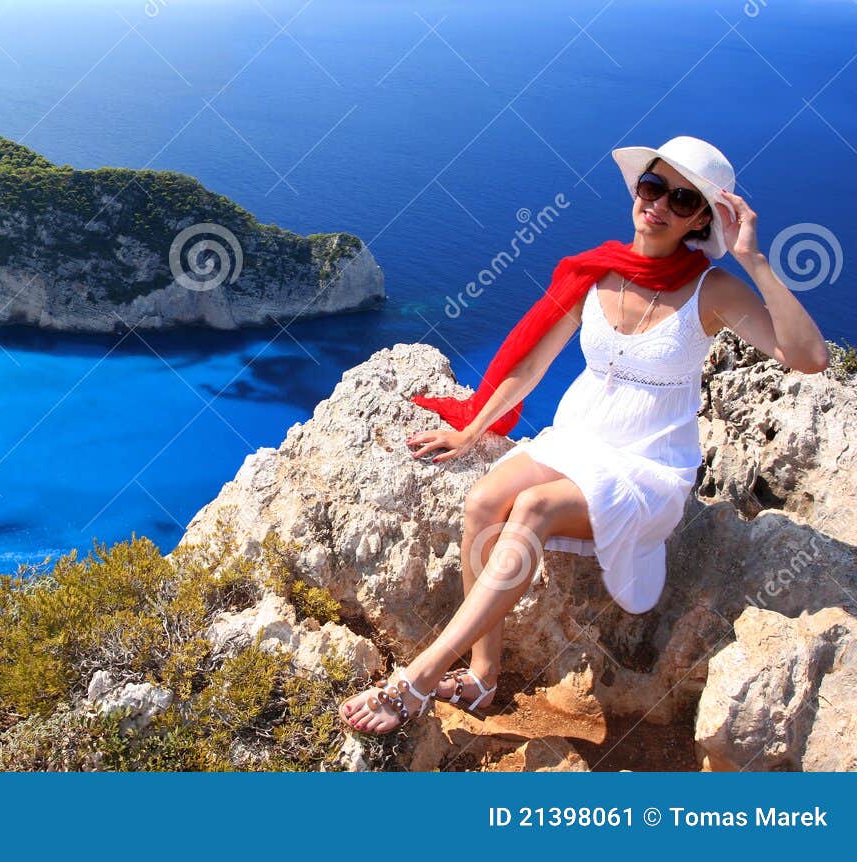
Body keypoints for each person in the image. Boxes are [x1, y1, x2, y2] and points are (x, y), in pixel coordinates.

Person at [339, 136, 829, 733]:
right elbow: (529, 365)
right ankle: (483, 674)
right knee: (483, 502)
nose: (659, 205)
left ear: (703, 218)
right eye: (654, 186)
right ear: (638, 188)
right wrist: (471, 430)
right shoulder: (595, 273)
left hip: (648, 466)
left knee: (534, 509)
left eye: (682, 199)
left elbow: (807, 358)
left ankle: (419, 676)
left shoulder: (713, 291)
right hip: (579, 439)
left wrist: (752, 257)